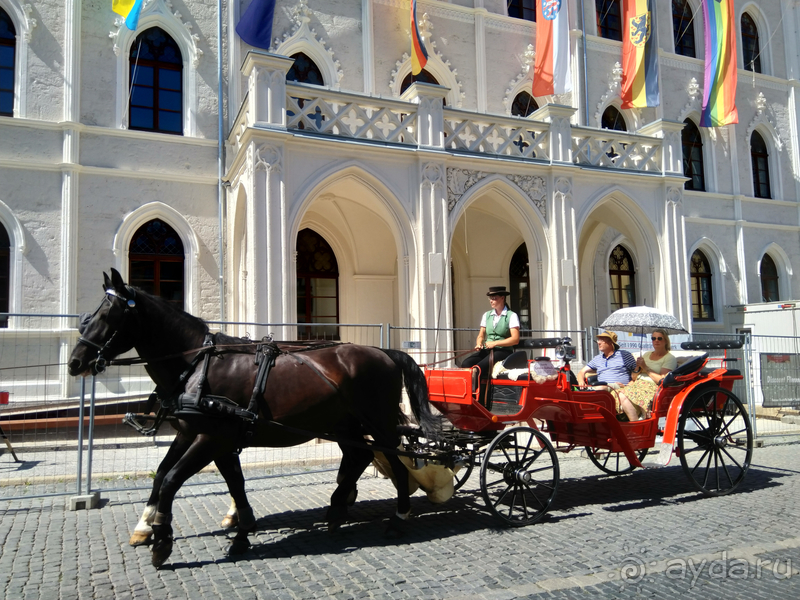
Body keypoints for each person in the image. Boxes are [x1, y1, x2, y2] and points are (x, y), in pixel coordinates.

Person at [461, 286, 521, 390]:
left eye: (494, 298)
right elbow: (481, 335)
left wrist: (495, 343)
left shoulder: (511, 316)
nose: (491, 301)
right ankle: (466, 392)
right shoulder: (487, 315)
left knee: (477, 369)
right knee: (466, 363)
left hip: (503, 351)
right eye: (490, 298)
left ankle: (477, 396)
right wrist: (479, 343)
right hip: (488, 349)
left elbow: (515, 339)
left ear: (502, 298)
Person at [614, 328, 677, 421]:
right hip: (637, 384)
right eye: (653, 338)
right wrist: (637, 367)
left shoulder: (669, 358)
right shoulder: (647, 355)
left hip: (652, 386)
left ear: (665, 341)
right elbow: (634, 377)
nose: (656, 341)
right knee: (614, 394)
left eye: (659, 338)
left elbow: (662, 380)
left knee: (623, 395)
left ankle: (635, 424)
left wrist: (645, 367)